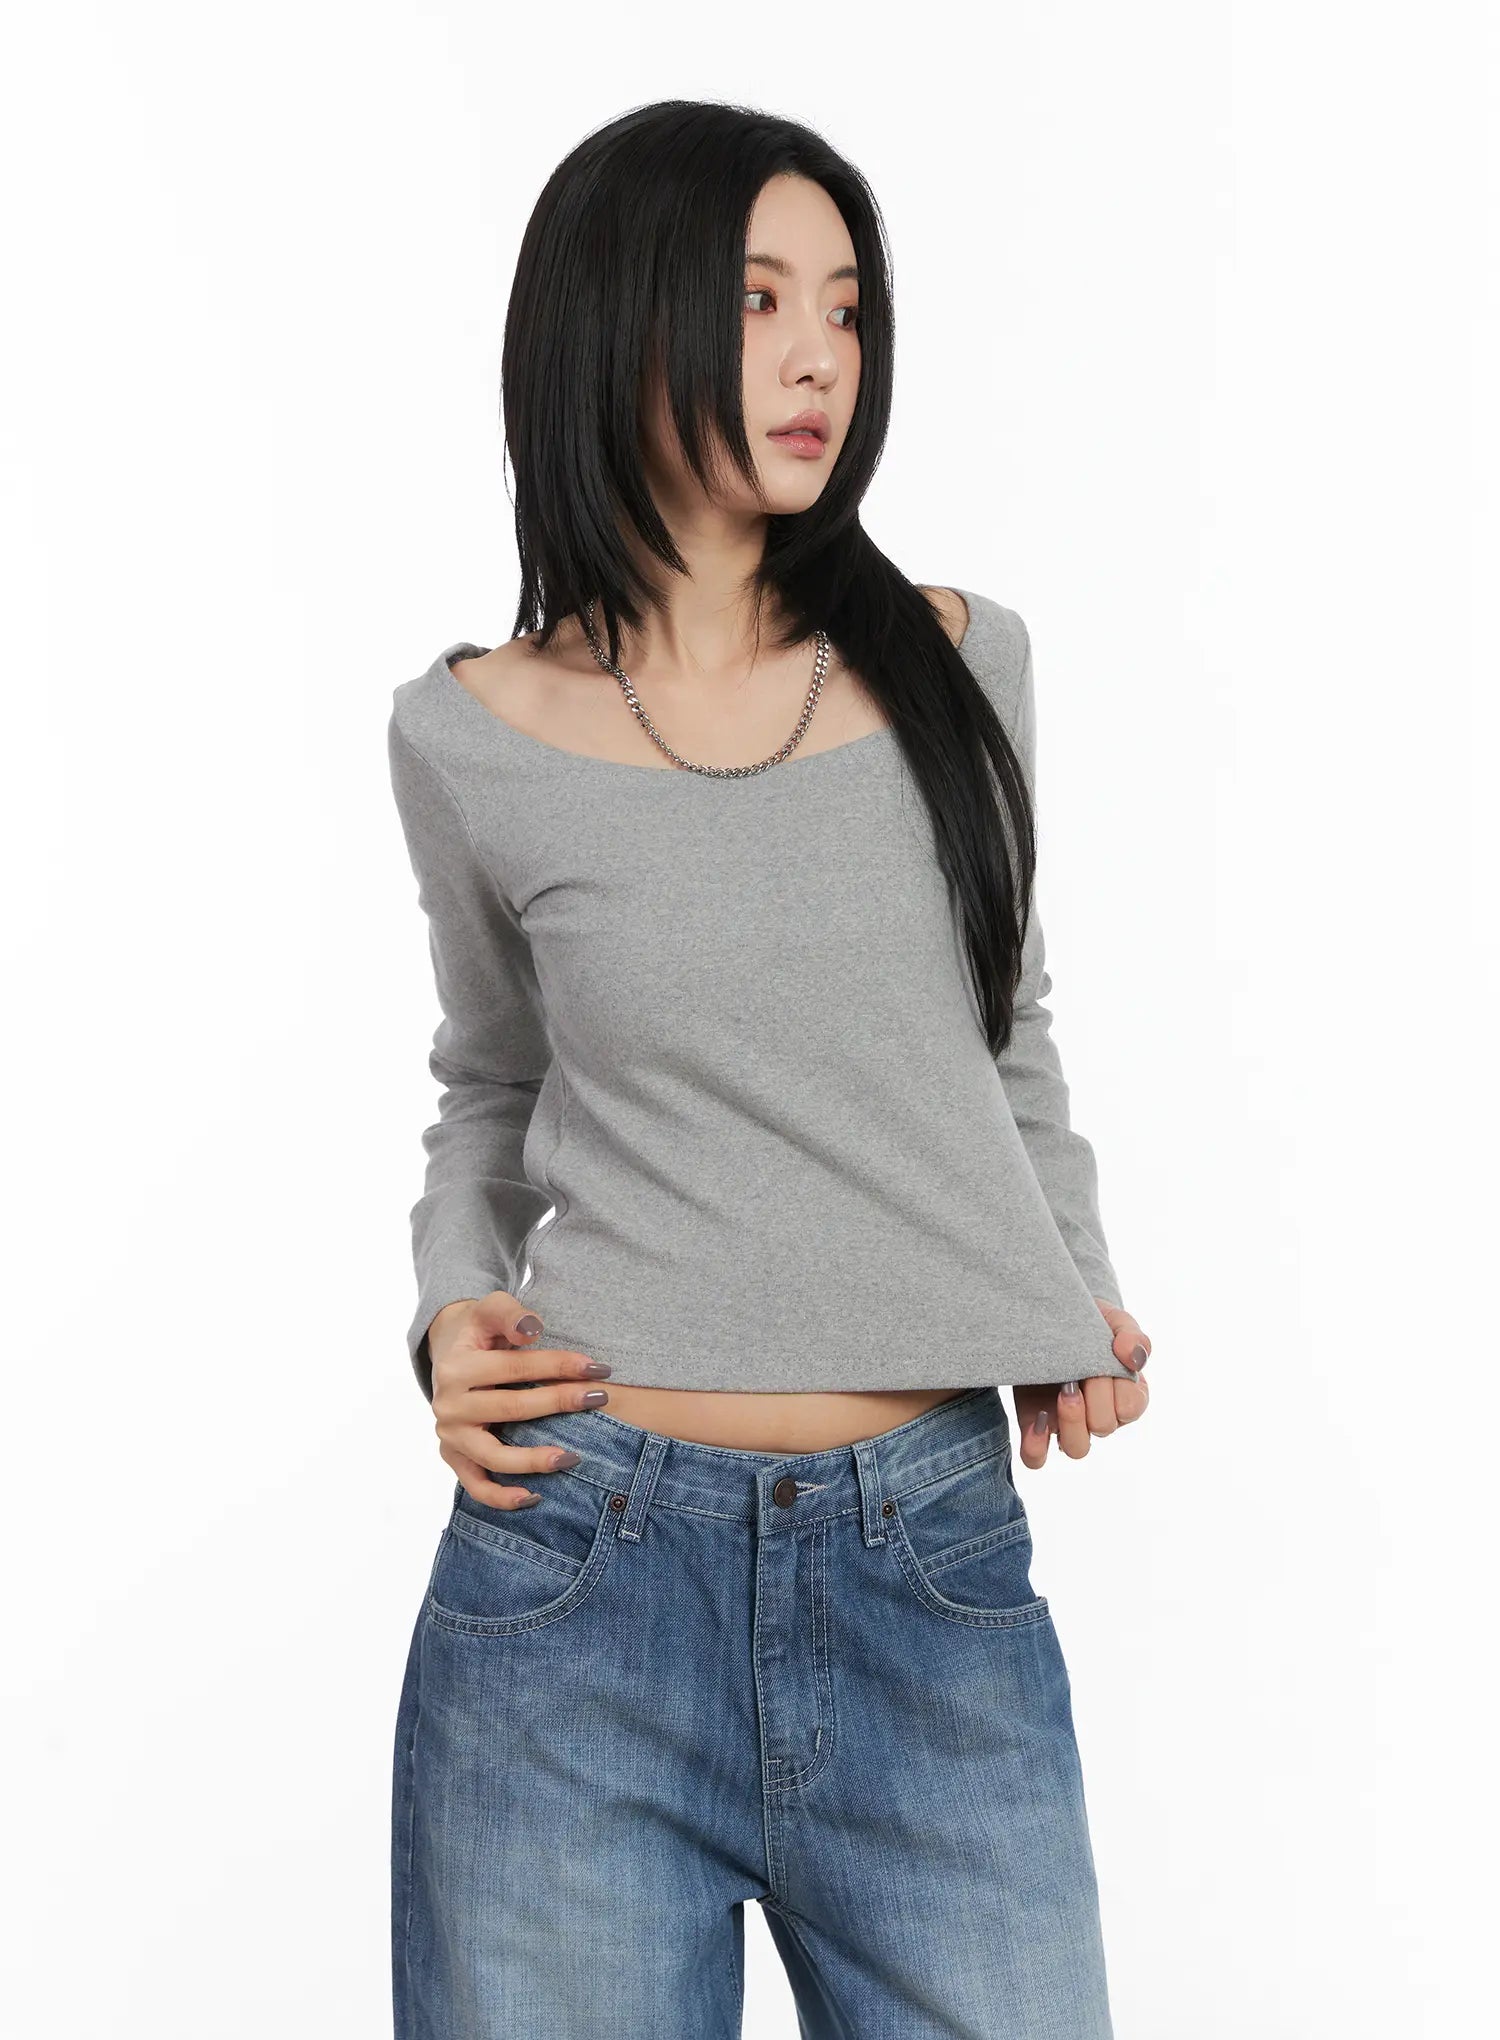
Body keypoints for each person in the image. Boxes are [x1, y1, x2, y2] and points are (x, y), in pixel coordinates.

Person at [387, 98, 1152, 2040]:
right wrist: (452, 1309)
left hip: (932, 1568)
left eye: (846, 308)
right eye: (755, 301)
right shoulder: (470, 733)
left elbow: (1006, 1024)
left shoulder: (962, 666)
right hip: (575, 1582)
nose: (821, 355)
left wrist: (1065, 1288)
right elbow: (491, 1083)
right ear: (616, 315)